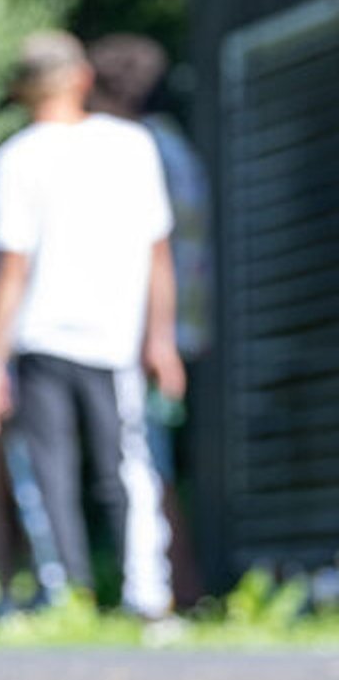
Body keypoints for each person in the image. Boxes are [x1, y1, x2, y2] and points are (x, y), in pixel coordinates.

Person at [0, 32, 184, 621]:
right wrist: (161, 336)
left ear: (20, 90)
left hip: (39, 338)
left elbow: (10, 268)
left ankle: (66, 595)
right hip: (116, 337)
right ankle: (147, 596)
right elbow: (159, 251)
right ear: (82, 77)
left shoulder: (15, 157)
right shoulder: (134, 145)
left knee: (48, 473)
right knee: (128, 470)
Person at [88, 32, 210, 610]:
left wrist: (151, 333)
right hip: (183, 327)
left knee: (145, 462)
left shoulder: (132, 148)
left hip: (145, 333)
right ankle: (182, 590)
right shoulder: (173, 143)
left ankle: (175, 592)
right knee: (155, 461)